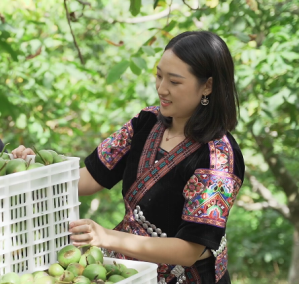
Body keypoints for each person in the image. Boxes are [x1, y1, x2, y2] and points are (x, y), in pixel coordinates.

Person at [12, 31, 244, 284]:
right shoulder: (145, 122)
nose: (161, 89)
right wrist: (33, 170)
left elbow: (190, 250)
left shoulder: (219, 157)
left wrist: (107, 238)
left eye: (175, 82)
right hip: (130, 272)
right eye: (159, 76)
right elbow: (88, 179)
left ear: (207, 85)